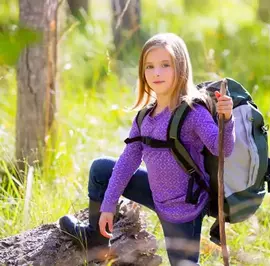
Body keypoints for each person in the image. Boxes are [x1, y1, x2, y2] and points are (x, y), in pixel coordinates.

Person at [59, 32, 235, 266]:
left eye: (165, 65)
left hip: (183, 209)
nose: (157, 73)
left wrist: (227, 119)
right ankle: (96, 241)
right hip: (155, 192)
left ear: (181, 68)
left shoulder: (193, 112)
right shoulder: (145, 117)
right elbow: (127, 162)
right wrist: (108, 205)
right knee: (101, 169)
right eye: (149, 67)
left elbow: (222, 149)